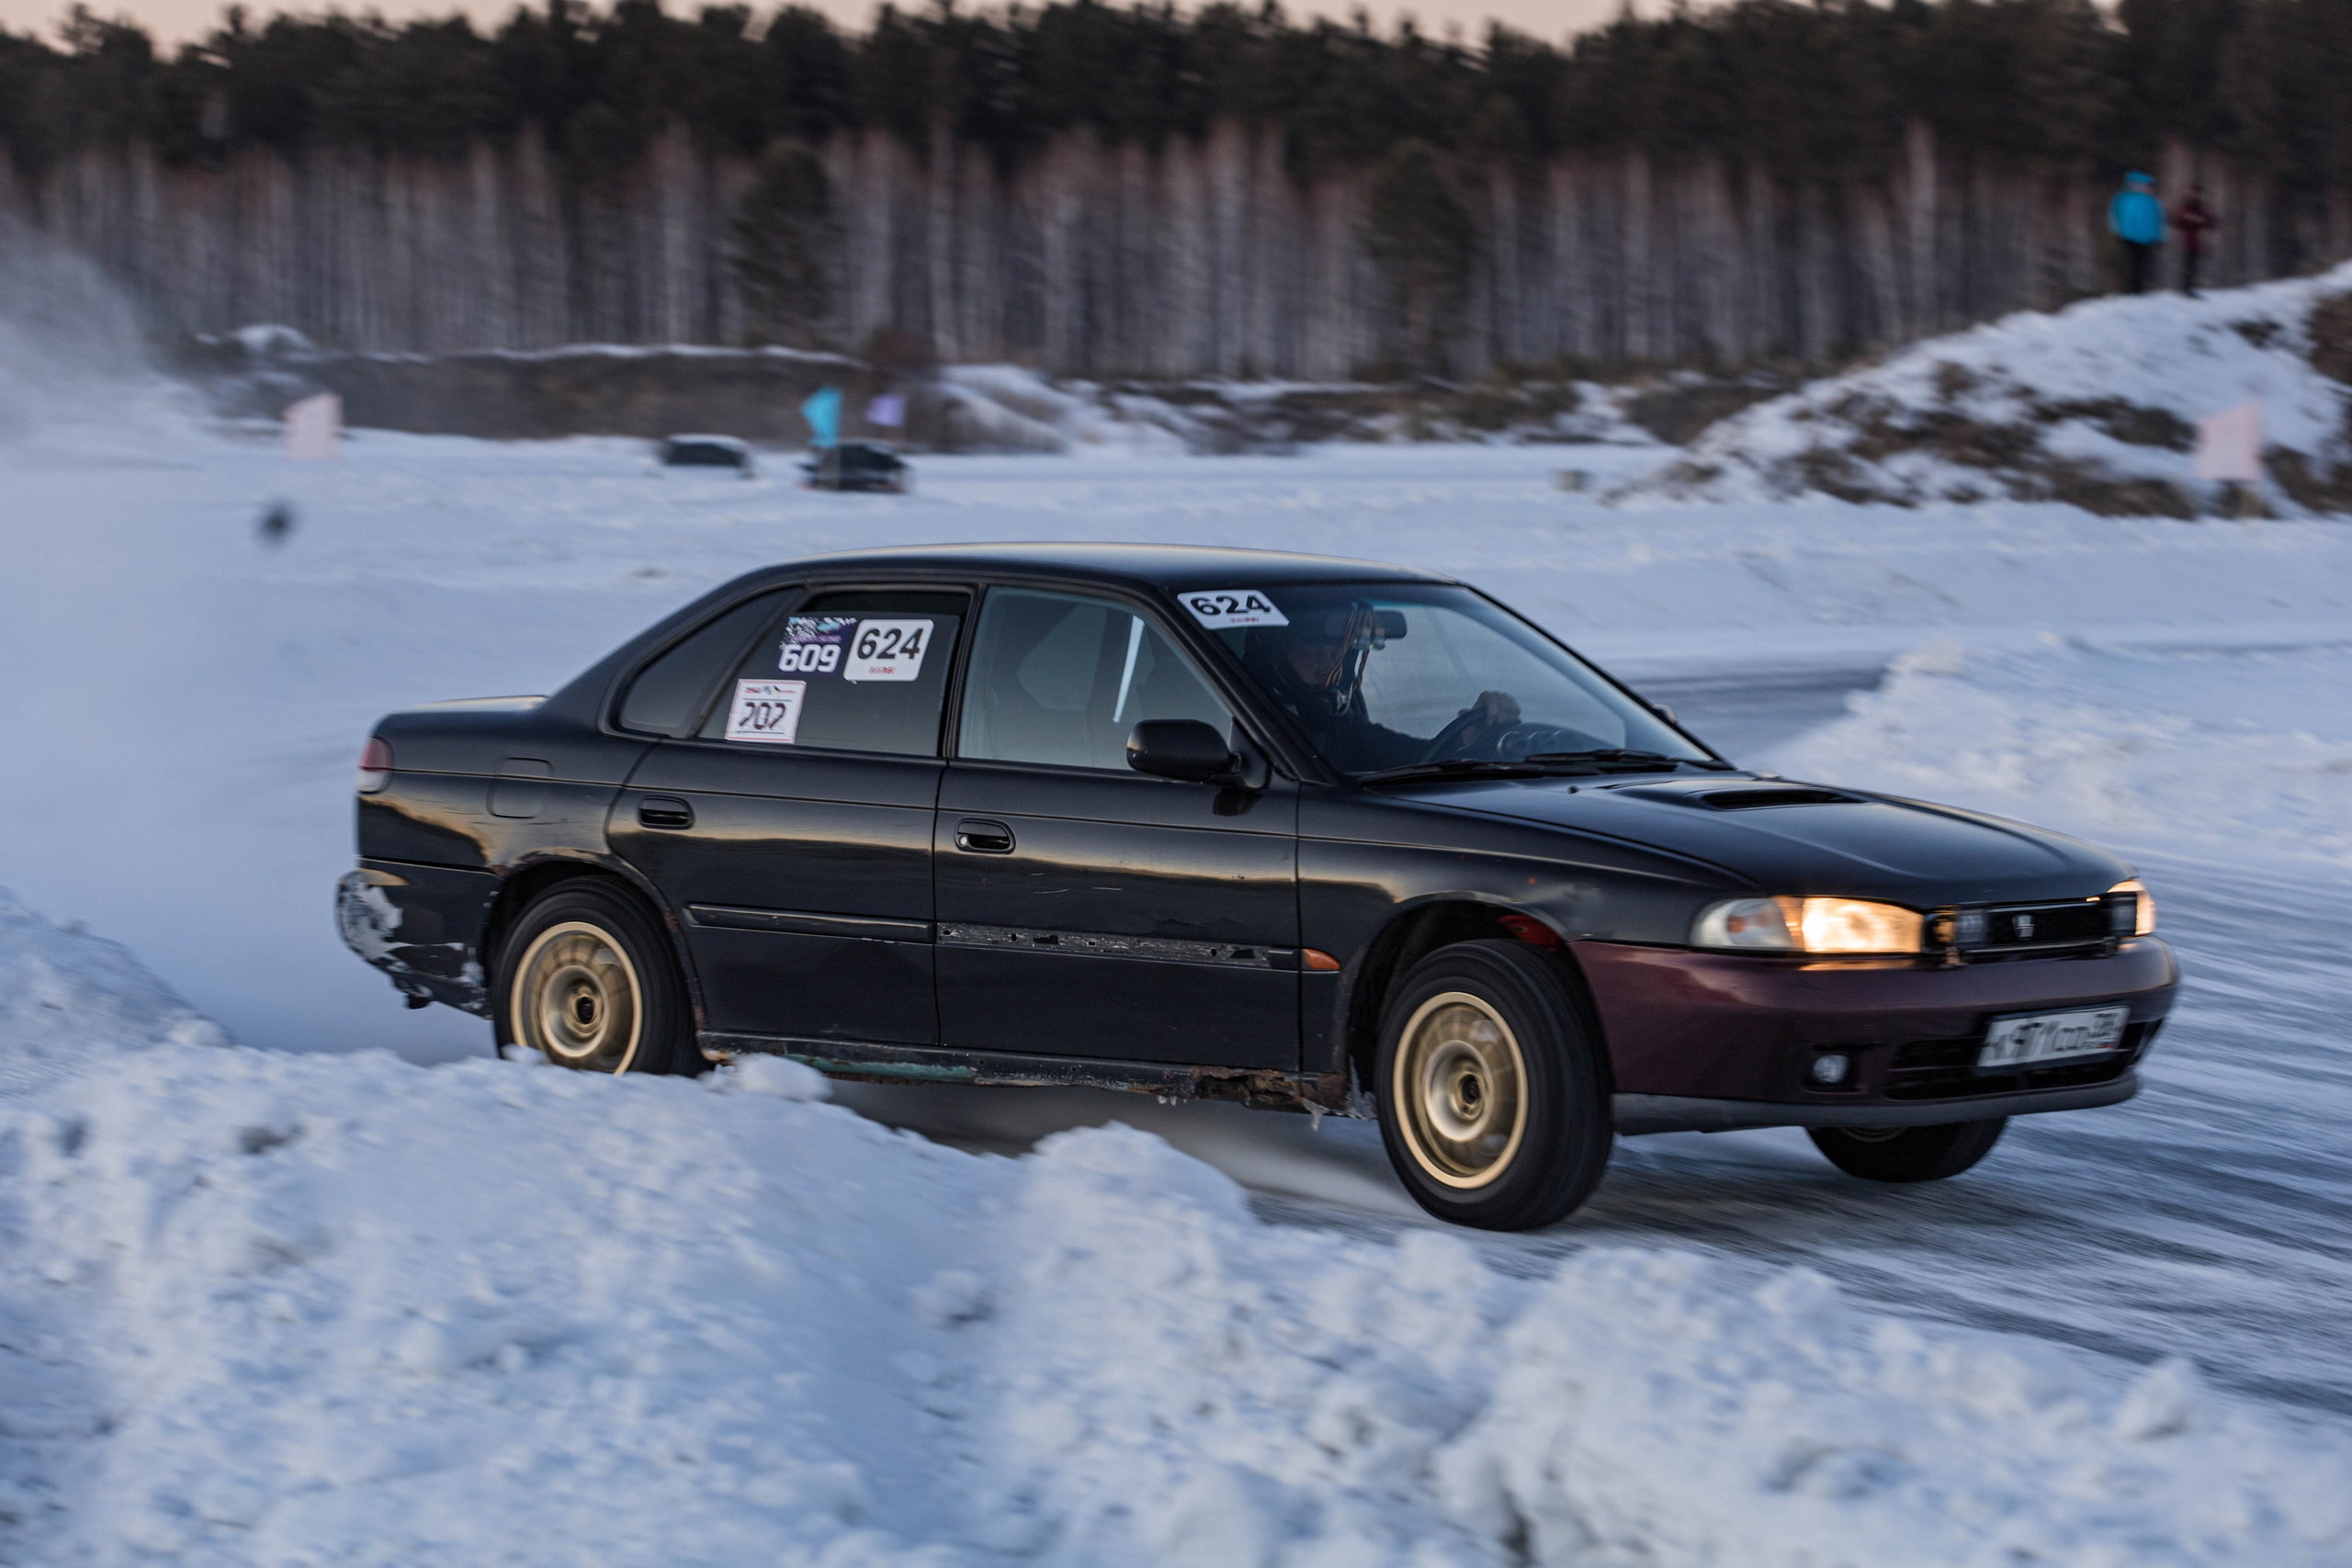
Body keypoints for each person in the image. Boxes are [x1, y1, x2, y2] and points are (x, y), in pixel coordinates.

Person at [1242, 604, 1521, 774]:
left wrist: (1465, 738)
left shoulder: (1342, 727)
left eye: (1337, 652)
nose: (1328, 663)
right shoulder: (1244, 723)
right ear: (1277, 655)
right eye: (1314, 651)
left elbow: (1414, 759)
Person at [2109, 172, 2164, 295]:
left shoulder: (2152, 202)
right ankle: (2129, 289)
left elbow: (2158, 220)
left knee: (2141, 264)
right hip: (2130, 236)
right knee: (2132, 263)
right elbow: (2115, 215)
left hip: (2145, 238)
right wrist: (2116, 230)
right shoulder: (2125, 198)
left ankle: (2137, 289)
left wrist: (2159, 236)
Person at [2171, 184, 2217, 298]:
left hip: (2198, 241)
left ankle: (2190, 288)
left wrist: (2200, 221)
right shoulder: (2184, 206)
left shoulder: (2202, 208)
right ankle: (2184, 288)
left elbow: (2212, 222)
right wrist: (2191, 219)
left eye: (2196, 193)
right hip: (2186, 240)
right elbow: (2177, 221)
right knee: (2186, 265)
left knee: (2194, 266)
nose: (2194, 195)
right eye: (2192, 192)